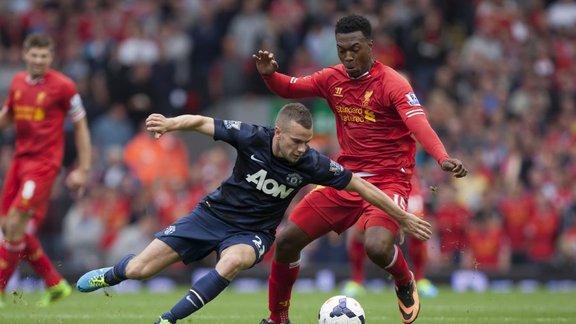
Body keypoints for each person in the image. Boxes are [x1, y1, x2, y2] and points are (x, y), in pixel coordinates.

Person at [76, 103, 432, 324]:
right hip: (210, 216)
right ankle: (113, 274)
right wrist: (171, 123)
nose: (301, 148)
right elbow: (203, 122)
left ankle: (168, 320)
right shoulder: (251, 137)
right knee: (139, 269)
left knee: (233, 262)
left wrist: (399, 215)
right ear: (278, 132)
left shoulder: (312, 163)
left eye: (307, 142)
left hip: (254, 234)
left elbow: (361, 186)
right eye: (295, 141)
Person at [252, 15, 467, 324]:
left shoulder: (393, 83)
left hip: (391, 180)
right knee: (286, 242)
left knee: (377, 248)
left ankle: (404, 279)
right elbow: (289, 88)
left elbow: (418, 124)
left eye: (355, 49)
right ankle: (278, 319)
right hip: (346, 179)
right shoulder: (332, 78)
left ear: (370, 46)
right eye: (342, 50)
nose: (348, 57)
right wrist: (269, 76)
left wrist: (441, 157)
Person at [0, 33, 92, 307]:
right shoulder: (17, 83)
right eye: (34, 55)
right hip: (19, 161)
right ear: (25, 55)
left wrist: (83, 169)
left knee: (16, 221)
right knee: (8, 227)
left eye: (44, 56)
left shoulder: (64, 87)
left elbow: (81, 126)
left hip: (44, 165)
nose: (39, 60)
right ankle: (55, 283)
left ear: (51, 57)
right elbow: (8, 116)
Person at [342, 172, 438, 299]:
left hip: (404, 180)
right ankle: (357, 281)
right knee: (359, 231)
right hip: (375, 181)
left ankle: (419, 280)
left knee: (417, 228)